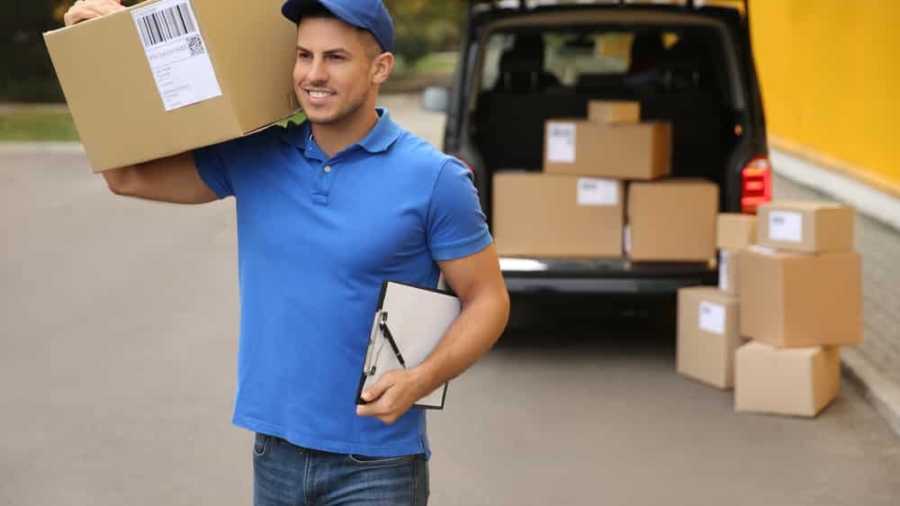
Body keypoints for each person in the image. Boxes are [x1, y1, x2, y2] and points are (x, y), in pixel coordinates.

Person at [63, 0, 511, 504]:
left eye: (336, 58)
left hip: (377, 464)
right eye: (304, 56)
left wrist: (421, 379)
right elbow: (125, 176)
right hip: (274, 454)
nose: (314, 74)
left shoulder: (434, 179)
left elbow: (488, 300)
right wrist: (99, 53)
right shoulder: (256, 156)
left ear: (379, 67)